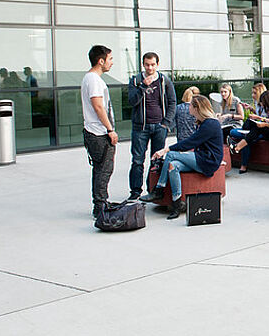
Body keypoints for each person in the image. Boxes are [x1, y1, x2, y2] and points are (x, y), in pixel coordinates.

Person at [140, 95, 223, 220]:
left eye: (190, 105)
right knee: (172, 165)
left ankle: (159, 189)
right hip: (202, 158)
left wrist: (165, 149)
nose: (188, 107)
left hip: (208, 161)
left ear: (197, 108)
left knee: (171, 154)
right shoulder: (203, 123)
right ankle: (177, 203)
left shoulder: (210, 124)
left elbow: (190, 142)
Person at [127, 52, 177, 201]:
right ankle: (135, 191)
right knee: (137, 160)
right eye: (147, 64)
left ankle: (152, 190)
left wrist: (166, 123)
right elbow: (132, 101)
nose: (150, 67)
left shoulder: (164, 80)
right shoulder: (136, 80)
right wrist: (143, 86)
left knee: (156, 160)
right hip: (140, 127)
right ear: (143, 64)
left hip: (159, 127)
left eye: (153, 65)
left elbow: (172, 102)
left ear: (157, 64)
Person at [81, 45, 117, 219]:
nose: (112, 62)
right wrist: (110, 129)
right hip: (99, 133)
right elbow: (98, 106)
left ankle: (101, 203)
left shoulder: (90, 78)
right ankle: (100, 207)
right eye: (110, 59)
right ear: (100, 61)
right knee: (104, 170)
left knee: (100, 169)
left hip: (94, 132)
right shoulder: (94, 80)